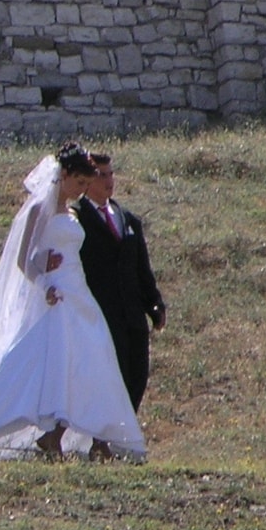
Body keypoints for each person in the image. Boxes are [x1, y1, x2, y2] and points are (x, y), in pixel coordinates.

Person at [0, 143, 146, 462]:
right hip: (57, 295)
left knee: (95, 358)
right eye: (80, 183)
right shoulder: (39, 210)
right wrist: (43, 276)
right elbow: (24, 259)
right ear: (65, 175)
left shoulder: (74, 213)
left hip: (79, 291)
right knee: (59, 363)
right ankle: (50, 434)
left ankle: (99, 437)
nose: (83, 190)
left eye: (88, 185)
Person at [71, 153, 165, 414]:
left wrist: (154, 303)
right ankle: (105, 437)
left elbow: (141, 268)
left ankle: (124, 429)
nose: (108, 180)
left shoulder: (128, 219)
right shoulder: (77, 218)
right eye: (102, 175)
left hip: (132, 313)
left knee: (137, 372)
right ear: (88, 180)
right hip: (100, 313)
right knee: (112, 373)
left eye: (111, 173)